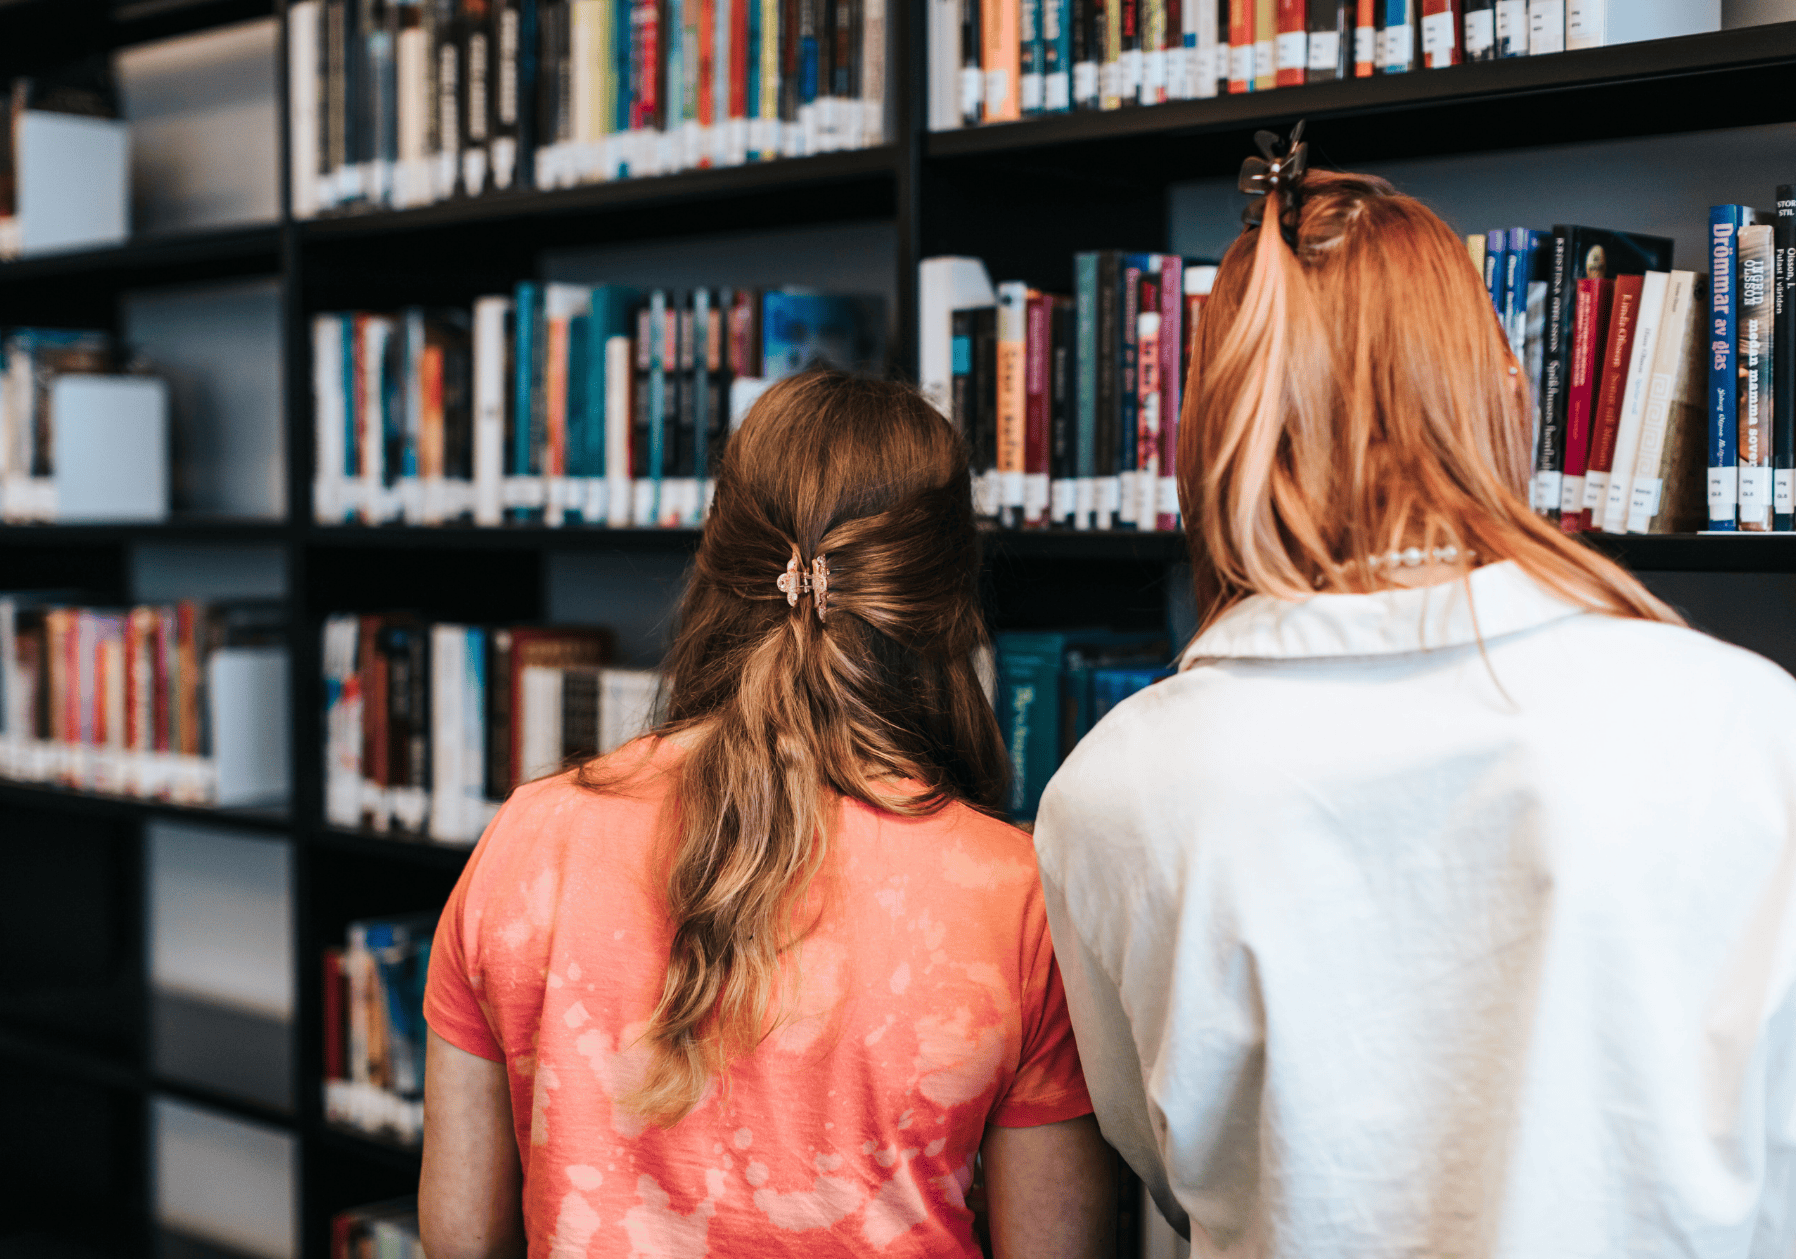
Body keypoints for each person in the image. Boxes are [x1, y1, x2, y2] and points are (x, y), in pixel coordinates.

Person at [1035, 132, 1796, 1258]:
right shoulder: (1741, 721)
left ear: (1216, 425)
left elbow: (1156, 1155)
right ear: (1498, 391)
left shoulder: (1113, 781)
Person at [419, 371, 1111, 1259]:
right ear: (944, 601)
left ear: (717, 562)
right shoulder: (1015, 896)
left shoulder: (530, 838)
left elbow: (458, 1236)